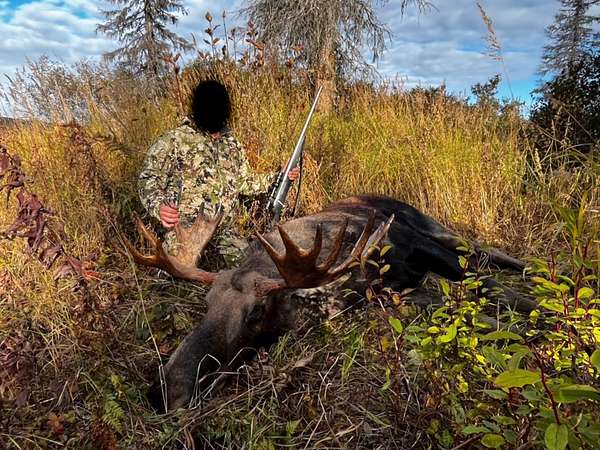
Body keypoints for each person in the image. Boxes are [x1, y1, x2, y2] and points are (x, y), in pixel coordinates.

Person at [138, 79, 300, 266]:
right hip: (187, 228)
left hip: (225, 230)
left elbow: (245, 182)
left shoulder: (232, 143)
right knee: (179, 270)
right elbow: (147, 179)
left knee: (251, 268)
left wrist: (279, 177)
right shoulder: (174, 140)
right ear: (198, 107)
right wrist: (159, 206)